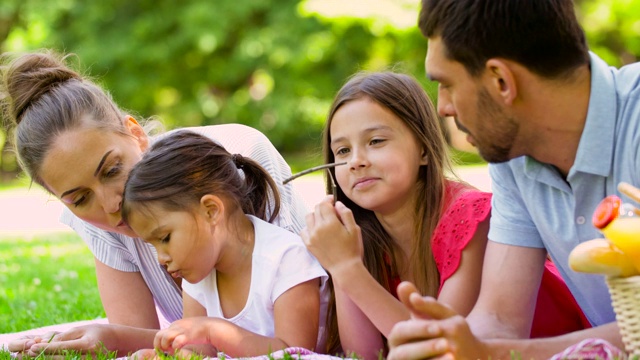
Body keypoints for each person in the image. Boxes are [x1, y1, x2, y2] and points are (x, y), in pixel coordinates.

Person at [0, 50, 309, 356]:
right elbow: (165, 340)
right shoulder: (101, 227)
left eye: (112, 170)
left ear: (136, 134)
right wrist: (109, 337)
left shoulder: (235, 159)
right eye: (80, 199)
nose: (110, 205)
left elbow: (308, 327)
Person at [387, 0, 640, 358]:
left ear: (501, 81)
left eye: (446, 84)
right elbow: (501, 317)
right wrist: (444, 348)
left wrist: (487, 354)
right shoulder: (513, 155)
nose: (442, 106)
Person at [300, 71, 589, 359]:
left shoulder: (469, 216)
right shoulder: (357, 234)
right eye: (342, 150)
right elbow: (363, 355)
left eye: (376, 141)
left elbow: (441, 348)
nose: (356, 162)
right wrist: (340, 265)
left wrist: (349, 269)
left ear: (424, 148)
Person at [119, 130, 328, 357]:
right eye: (153, 246)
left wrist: (214, 332)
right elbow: (199, 351)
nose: (161, 258)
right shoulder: (199, 271)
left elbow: (295, 353)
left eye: (165, 238)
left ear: (211, 211)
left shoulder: (286, 259)